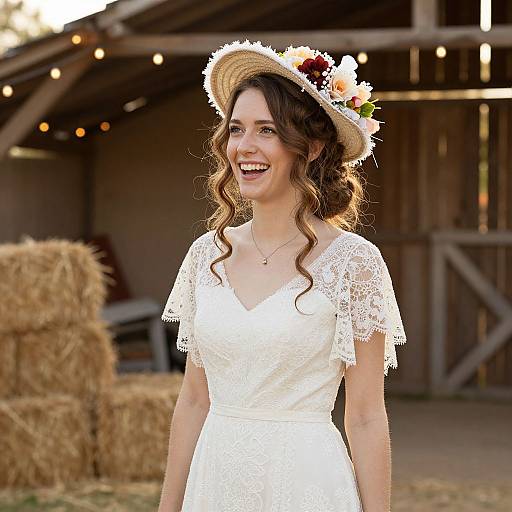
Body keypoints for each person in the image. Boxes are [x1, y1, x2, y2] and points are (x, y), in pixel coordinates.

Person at [158, 40, 407, 512]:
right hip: (215, 483)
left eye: (266, 130)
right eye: (236, 129)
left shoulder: (355, 263)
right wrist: (168, 507)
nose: (243, 147)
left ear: (310, 148)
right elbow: (193, 399)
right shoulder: (205, 256)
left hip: (307, 484)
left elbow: (367, 416)